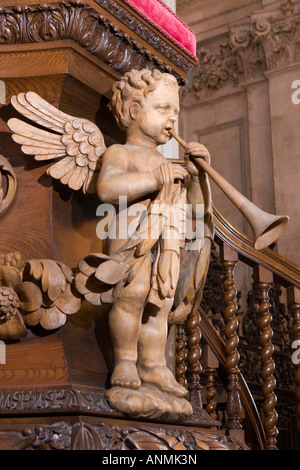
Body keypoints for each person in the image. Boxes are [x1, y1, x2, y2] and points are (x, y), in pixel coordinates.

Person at [97, 68, 212, 397]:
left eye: (175, 111)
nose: (172, 119)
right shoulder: (121, 152)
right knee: (132, 294)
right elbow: (107, 188)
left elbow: (198, 210)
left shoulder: (171, 162)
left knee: (160, 301)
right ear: (134, 112)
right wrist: (155, 179)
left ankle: (153, 364)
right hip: (131, 236)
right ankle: (125, 360)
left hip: (168, 237)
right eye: (163, 109)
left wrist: (198, 176)